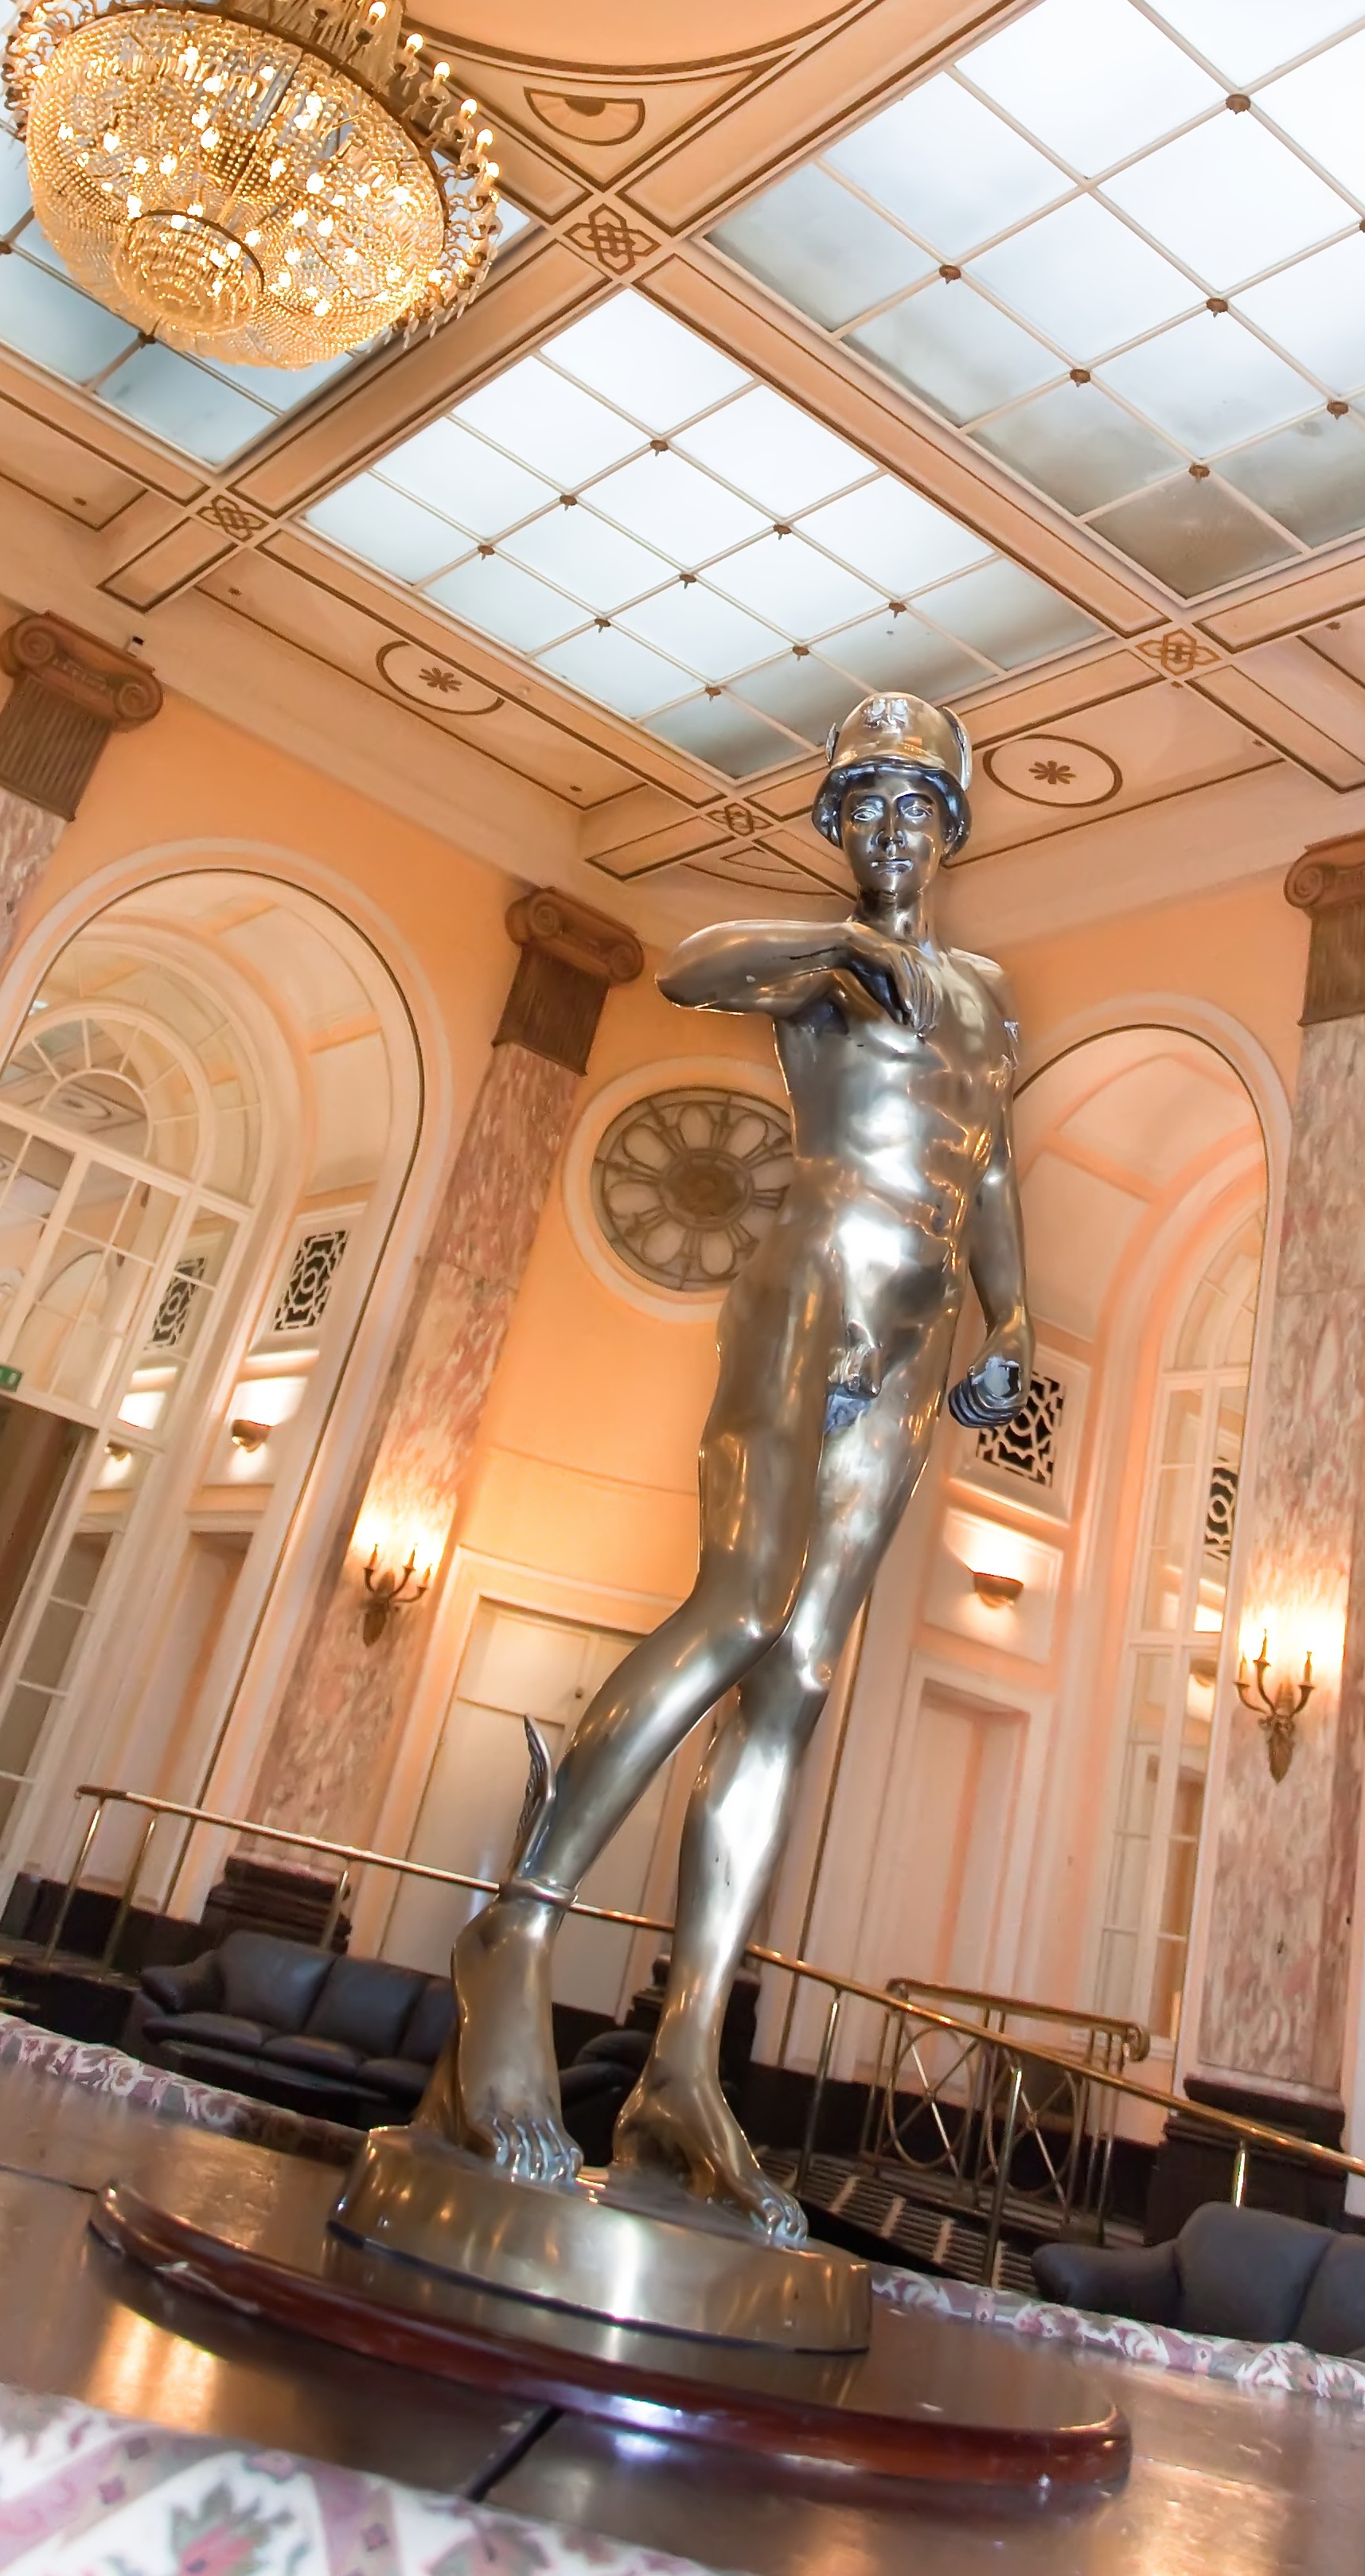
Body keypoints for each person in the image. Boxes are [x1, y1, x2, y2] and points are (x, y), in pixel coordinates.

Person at [431, 692, 1028, 2237]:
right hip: (812, 1283)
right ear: (843, 827)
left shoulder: (988, 996)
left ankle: (685, 2056)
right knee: (740, 1607)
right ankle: (516, 1933)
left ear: (954, 827)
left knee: (800, 1683)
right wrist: (828, 956)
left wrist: (1016, 1318)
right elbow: (692, 967)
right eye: (868, 807)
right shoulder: (825, 970)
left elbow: (994, 1165)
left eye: (918, 806)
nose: (895, 829)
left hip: (918, 1336)